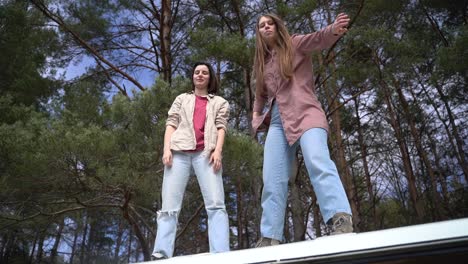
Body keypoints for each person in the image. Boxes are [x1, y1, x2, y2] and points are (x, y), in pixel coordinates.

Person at [251, 13, 353, 247]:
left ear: (277, 26)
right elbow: (260, 95)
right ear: (259, 33)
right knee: (272, 177)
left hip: (306, 112)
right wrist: (256, 116)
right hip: (278, 122)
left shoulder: (295, 43)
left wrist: (334, 30)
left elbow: (318, 39)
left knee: (317, 160)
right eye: (261, 26)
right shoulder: (263, 63)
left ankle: (340, 218)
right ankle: (270, 236)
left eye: (270, 24)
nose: (266, 28)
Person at [151, 62, 230, 259]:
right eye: (197, 72)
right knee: (169, 205)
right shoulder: (182, 99)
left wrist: (218, 151)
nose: (200, 75)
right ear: (192, 77)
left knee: (216, 203)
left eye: (204, 72)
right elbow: (171, 123)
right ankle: (161, 252)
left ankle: (220, 253)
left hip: (207, 153)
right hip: (178, 153)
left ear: (210, 77)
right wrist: (166, 149)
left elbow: (221, 127)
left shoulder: (220, 102)